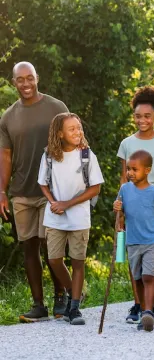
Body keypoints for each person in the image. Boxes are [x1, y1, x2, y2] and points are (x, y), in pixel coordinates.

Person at [0, 61, 69, 322]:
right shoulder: (8, 117)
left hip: (52, 191)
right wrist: (2, 191)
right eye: (20, 79)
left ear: (37, 78)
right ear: (14, 82)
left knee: (51, 246)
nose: (26, 84)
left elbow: (72, 141)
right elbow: (5, 156)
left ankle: (61, 299)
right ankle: (38, 305)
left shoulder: (56, 108)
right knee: (29, 247)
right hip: (21, 191)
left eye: (30, 78)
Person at [117, 86, 154, 324]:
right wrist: (121, 211)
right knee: (134, 253)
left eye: (147, 116)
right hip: (132, 199)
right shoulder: (126, 143)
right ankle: (138, 304)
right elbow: (124, 178)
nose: (142, 120)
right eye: (138, 116)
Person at [38, 113, 104, 325]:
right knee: (54, 260)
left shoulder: (86, 155)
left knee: (77, 261)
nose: (78, 132)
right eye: (72, 129)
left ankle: (74, 307)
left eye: (79, 128)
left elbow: (95, 188)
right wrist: (53, 201)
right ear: (60, 133)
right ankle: (73, 292)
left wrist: (67, 204)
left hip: (79, 218)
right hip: (55, 216)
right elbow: (43, 183)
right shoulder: (49, 155)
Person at [113, 150, 154, 332]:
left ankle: (148, 311)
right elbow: (120, 214)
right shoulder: (124, 190)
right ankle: (141, 308)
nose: (130, 173)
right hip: (132, 242)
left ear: (147, 170)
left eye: (134, 169)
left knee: (148, 277)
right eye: (128, 169)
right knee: (138, 278)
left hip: (152, 241)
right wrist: (117, 208)